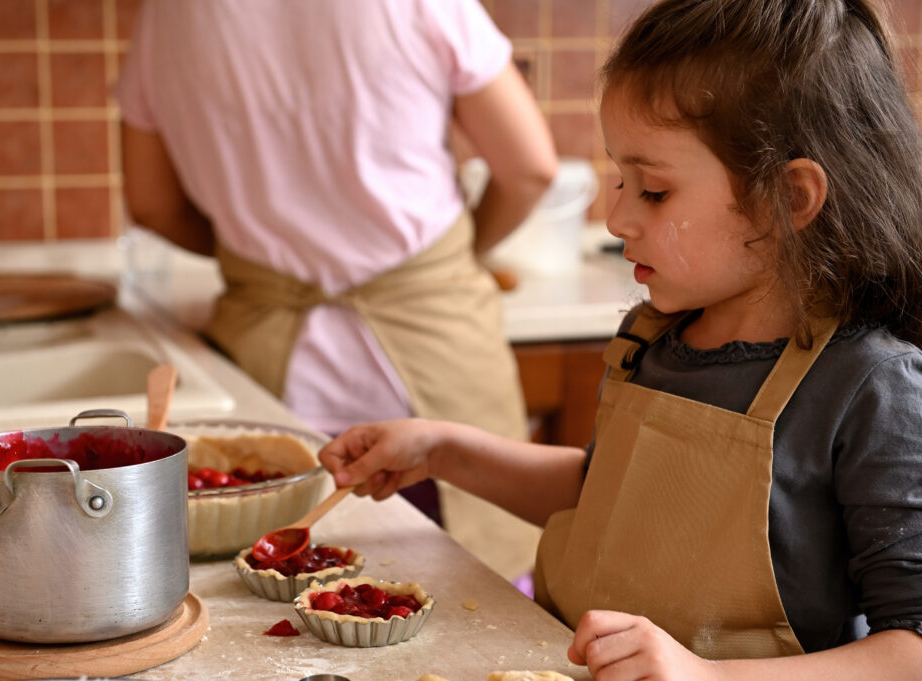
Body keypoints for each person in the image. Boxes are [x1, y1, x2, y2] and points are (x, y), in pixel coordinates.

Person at [317, 0, 922, 677]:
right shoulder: (653, 338)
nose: (616, 216)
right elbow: (602, 491)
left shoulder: (870, 387)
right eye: (620, 180)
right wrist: (444, 448)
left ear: (790, 197)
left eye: (654, 191)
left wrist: (708, 673)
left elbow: (912, 647)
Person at [116, 1, 558, 579]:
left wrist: (262, 266)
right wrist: (443, 264)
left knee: (275, 613)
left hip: (270, 387)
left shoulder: (170, 16)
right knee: (474, 608)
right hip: (436, 379)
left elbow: (152, 204)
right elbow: (530, 168)